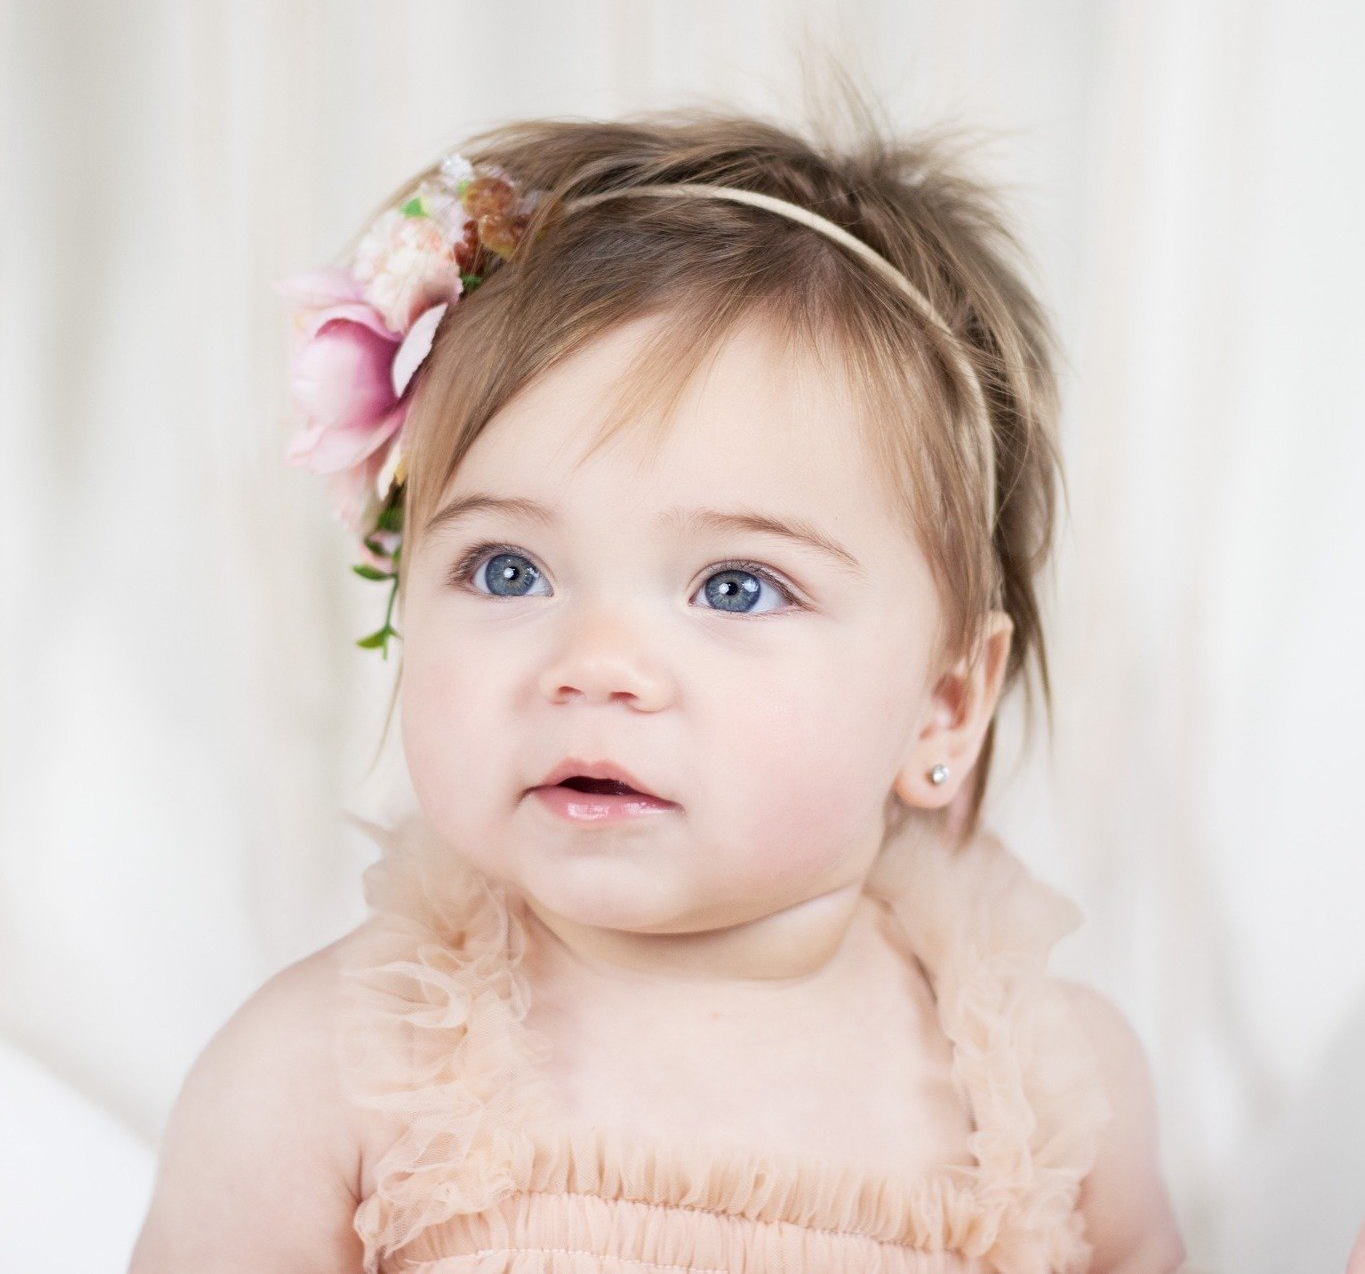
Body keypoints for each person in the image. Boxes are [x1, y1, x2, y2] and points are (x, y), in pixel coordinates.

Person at [128, 96, 1189, 1272]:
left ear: (945, 702)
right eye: (508, 568)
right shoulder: (328, 1077)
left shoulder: (1042, 1096)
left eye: (736, 588)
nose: (595, 664)